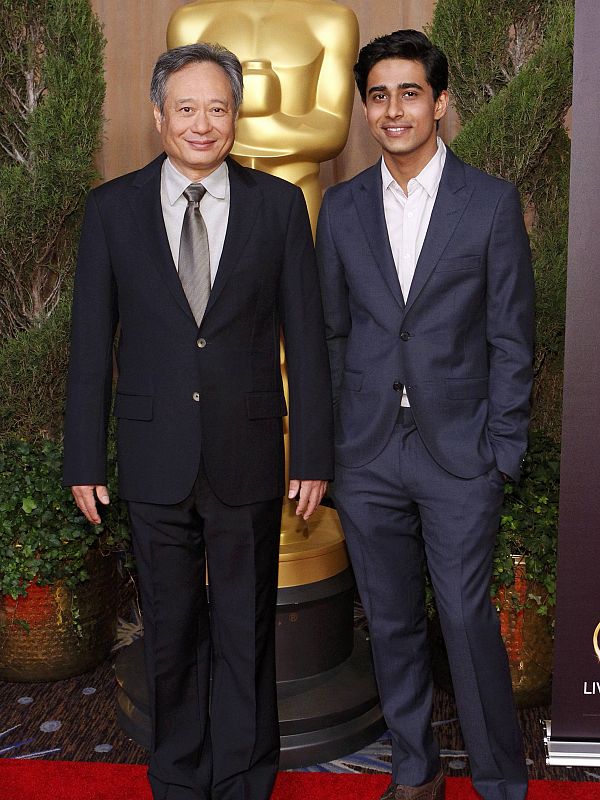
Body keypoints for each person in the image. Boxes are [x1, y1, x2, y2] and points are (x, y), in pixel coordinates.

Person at [63, 43, 333, 800]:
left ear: (235, 116)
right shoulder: (111, 210)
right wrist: (84, 458)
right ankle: (178, 777)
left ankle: (247, 778)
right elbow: (90, 347)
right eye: (186, 108)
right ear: (158, 117)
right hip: (152, 457)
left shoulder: (278, 206)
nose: (203, 123)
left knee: (247, 632)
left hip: (247, 454)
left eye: (217, 107)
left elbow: (307, 342)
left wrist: (311, 452)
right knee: (170, 632)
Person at [316, 30, 534, 800]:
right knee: (392, 620)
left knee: (468, 621)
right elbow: (333, 334)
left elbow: (512, 336)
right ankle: (415, 769)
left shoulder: (490, 203)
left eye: (411, 92)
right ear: (365, 108)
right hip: (371, 451)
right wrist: (340, 445)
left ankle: (502, 779)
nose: (394, 109)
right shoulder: (340, 210)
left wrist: (501, 450)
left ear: (440, 102)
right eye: (378, 94)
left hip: (459, 453)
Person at [166, 0, 358, 232]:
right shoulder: (190, 22)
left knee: (299, 266)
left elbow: (333, 132)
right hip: (209, 187)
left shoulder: (332, 21)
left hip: (296, 184)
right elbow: (178, 122)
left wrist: (259, 116)